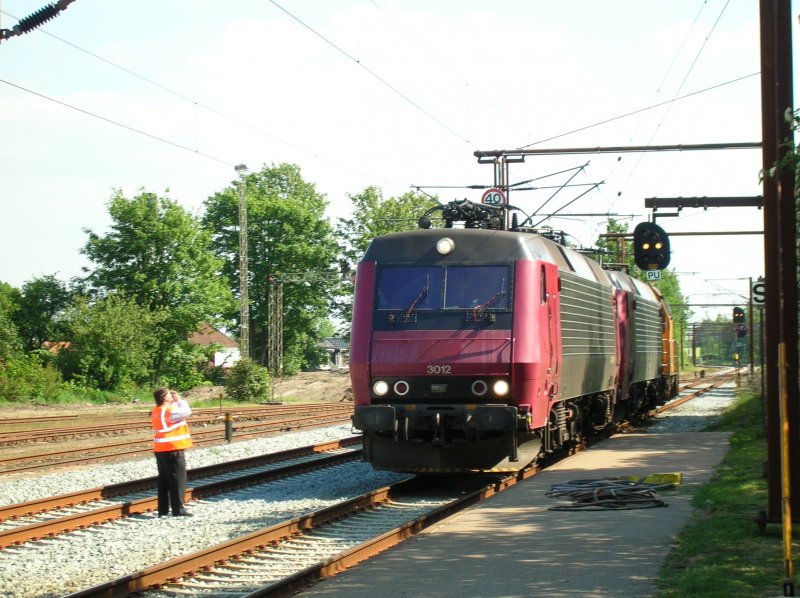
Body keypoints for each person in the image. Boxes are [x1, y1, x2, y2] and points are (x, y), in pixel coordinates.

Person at [151, 388, 193, 517]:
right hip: (173, 449)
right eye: (170, 394)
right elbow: (187, 411)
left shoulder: (156, 411)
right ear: (165, 398)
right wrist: (179, 400)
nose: (172, 396)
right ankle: (178, 509)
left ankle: (162, 510)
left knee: (164, 481)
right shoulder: (169, 411)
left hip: (160, 449)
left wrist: (174, 401)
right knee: (177, 480)